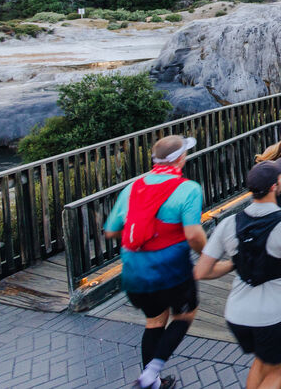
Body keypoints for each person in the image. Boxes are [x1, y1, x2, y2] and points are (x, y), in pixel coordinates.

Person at [193, 159, 281, 389]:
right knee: (279, 367)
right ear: (275, 186)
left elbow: (201, 271)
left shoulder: (228, 224)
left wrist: (232, 264)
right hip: (274, 315)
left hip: (237, 315)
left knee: (263, 360)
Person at [103, 135, 205, 389]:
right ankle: (151, 373)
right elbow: (193, 234)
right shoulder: (188, 188)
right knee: (185, 314)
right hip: (171, 272)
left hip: (135, 272)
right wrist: (208, 253)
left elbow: (111, 231)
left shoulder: (133, 187)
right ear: (180, 159)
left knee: (155, 321)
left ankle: (154, 383)